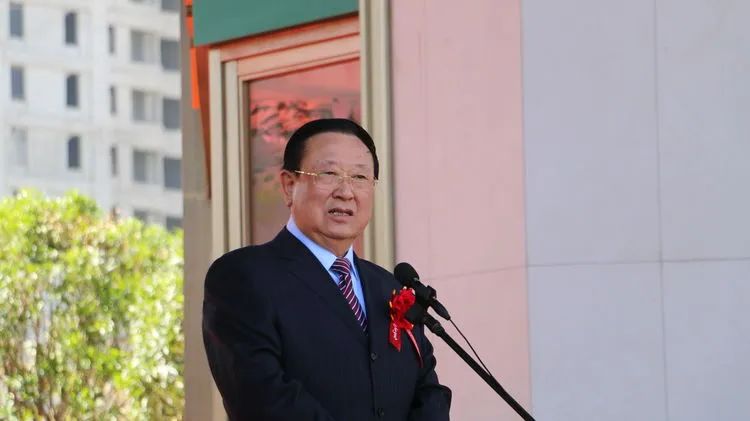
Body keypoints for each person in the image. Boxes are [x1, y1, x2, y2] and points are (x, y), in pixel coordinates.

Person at [202, 118, 452, 420]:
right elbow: (264, 399)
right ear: (289, 186)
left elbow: (428, 392)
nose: (346, 191)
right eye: (329, 174)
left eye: (360, 177)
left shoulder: (389, 288)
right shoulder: (243, 276)